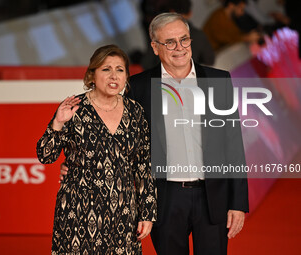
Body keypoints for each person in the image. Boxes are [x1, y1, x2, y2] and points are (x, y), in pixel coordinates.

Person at [61, 13, 249, 255]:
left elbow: (233, 145)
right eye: (169, 42)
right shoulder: (137, 87)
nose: (179, 48)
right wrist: (76, 161)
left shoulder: (218, 80)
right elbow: (111, 136)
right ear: (155, 47)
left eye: (184, 40)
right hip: (163, 200)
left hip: (213, 198)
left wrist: (237, 203)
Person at [36, 44, 156, 255]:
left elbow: (145, 165)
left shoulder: (135, 111)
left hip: (123, 214)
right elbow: (45, 156)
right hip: (77, 214)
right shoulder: (74, 107)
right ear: (92, 75)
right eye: (106, 69)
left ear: (126, 76)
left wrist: (147, 213)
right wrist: (58, 123)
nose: (114, 75)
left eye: (120, 69)